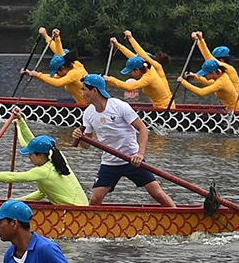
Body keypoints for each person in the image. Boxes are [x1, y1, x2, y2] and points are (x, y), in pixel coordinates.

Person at [73, 75, 174, 205]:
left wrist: (140, 154)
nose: (82, 93)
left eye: (84, 89)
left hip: (132, 159)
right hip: (110, 163)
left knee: (157, 194)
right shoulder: (88, 113)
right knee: (95, 199)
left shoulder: (119, 106)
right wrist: (79, 137)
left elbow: (143, 129)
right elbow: (86, 146)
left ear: (94, 91)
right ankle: (94, 224)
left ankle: (180, 217)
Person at [0, 127, 86, 205]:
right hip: (82, 206)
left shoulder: (43, 172)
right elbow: (41, 194)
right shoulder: (57, 158)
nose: (29, 157)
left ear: (40, 155)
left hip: (75, 211)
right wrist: (21, 121)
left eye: (30, 154)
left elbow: (12, 177)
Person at [106, 31, 175, 108]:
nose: (130, 74)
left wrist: (109, 79)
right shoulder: (148, 67)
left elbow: (129, 87)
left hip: (165, 109)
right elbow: (133, 58)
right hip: (161, 106)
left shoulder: (150, 74)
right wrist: (118, 45)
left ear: (137, 70)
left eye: (131, 71)